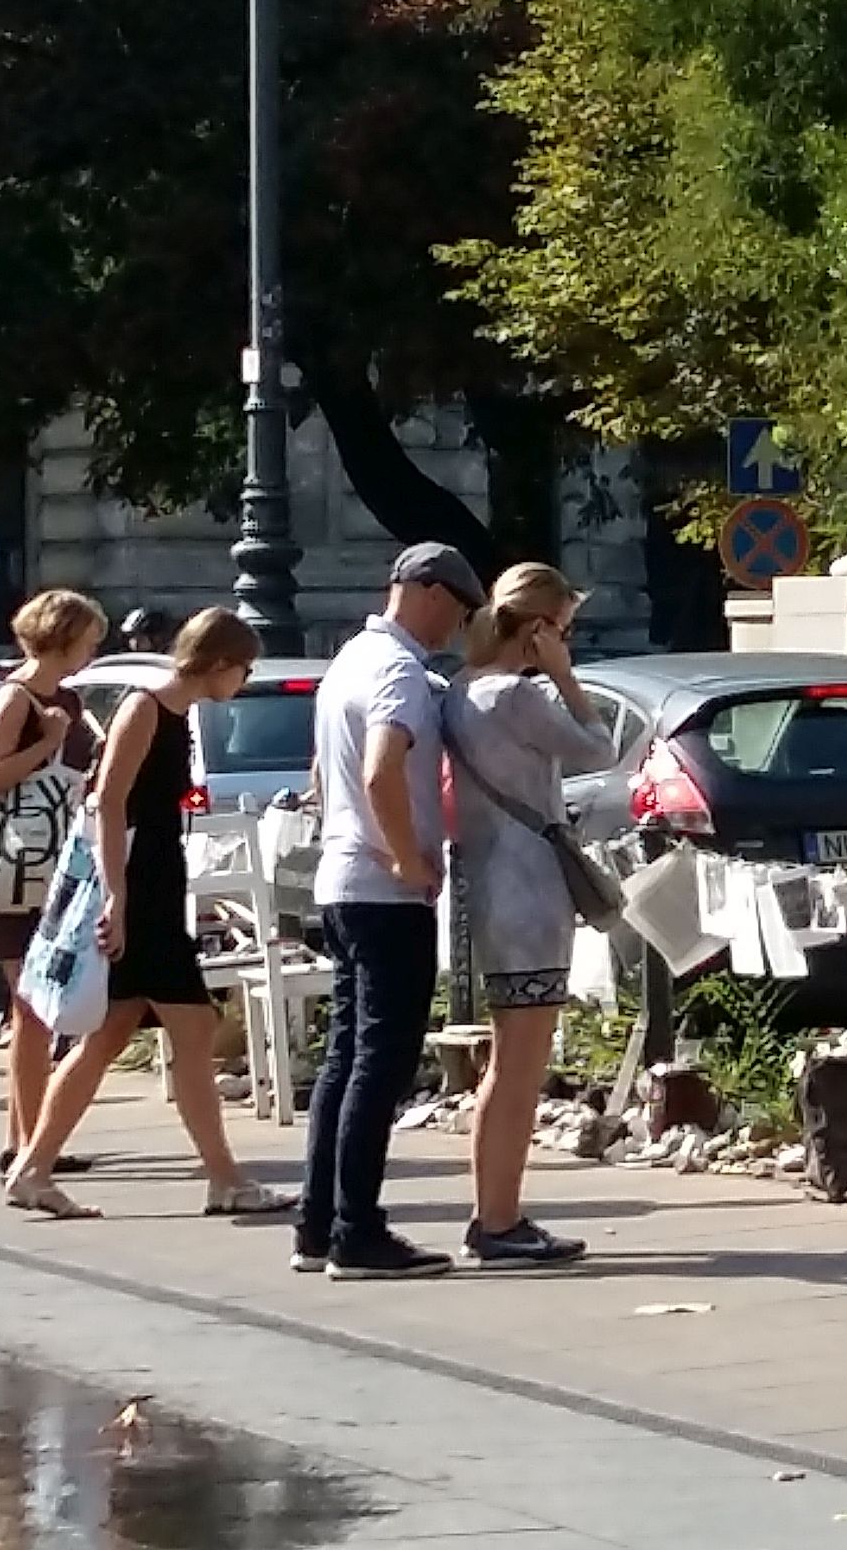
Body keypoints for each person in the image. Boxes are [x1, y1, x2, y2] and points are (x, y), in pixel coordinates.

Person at [1, 607, 289, 1220]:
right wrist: (115, 895)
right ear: (218, 662)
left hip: (155, 883)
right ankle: (224, 1178)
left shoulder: (175, 714)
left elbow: (148, 798)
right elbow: (108, 804)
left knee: (117, 1035)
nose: (244, 679)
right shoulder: (145, 707)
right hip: (140, 888)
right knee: (186, 1029)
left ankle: (35, 1166)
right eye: (244, 667)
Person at [299, 541, 483, 1281]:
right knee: (381, 1061)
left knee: (345, 1058)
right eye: (460, 610)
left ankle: (317, 1222)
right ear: (430, 592)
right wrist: (409, 858)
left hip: (340, 881)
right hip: (384, 890)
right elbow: (382, 768)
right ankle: (357, 1232)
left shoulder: (347, 660)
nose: (460, 626)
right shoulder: (401, 672)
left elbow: (324, 772)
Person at [444, 561, 611, 1269]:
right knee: (519, 1066)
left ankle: (496, 1214)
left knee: (507, 1061)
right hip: (532, 886)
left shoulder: (460, 691)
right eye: (565, 631)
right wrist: (566, 676)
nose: (567, 642)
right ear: (540, 629)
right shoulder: (516, 696)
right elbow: (596, 747)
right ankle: (498, 1219)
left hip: (487, 880)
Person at [0, 587, 106, 1177]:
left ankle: (24, 1138)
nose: (93, 652)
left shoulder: (64, 699)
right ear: (65, 637)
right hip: (16, 874)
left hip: (48, 869)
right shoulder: (18, 698)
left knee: (36, 1007)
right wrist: (49, 744)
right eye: (90, 640)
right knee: (33, 1010)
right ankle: (29, 1144)